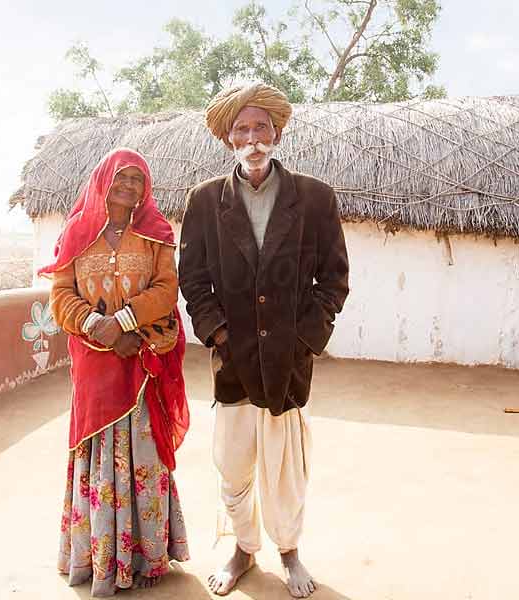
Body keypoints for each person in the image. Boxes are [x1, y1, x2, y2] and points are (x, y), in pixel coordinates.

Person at [179, 83, 350, 598]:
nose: (252, 139)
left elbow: (334, 278)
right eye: (241, 130)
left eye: (261, 128)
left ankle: (290, 552)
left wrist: (303, 339)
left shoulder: (314, 197)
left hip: (288, 360)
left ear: (277, 132)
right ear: (228, 138)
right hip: (232, 360)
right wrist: (221, 334)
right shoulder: (205, 201)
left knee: (285, 468)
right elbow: (194, 281)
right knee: (232, 465)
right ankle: (243, 549)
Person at [43, 148, 190, 597]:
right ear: (103, 178)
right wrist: (100, 329)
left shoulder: (156, 234)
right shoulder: (76, 232)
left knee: (144, 453)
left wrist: (126, 325)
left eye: (137, 180)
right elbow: (60, 295)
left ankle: (146, 556)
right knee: (98, 455)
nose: (128, 187)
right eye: (121, 178)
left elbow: (167, 289)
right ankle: (100, 559)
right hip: (94, 364)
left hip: (142, 358)